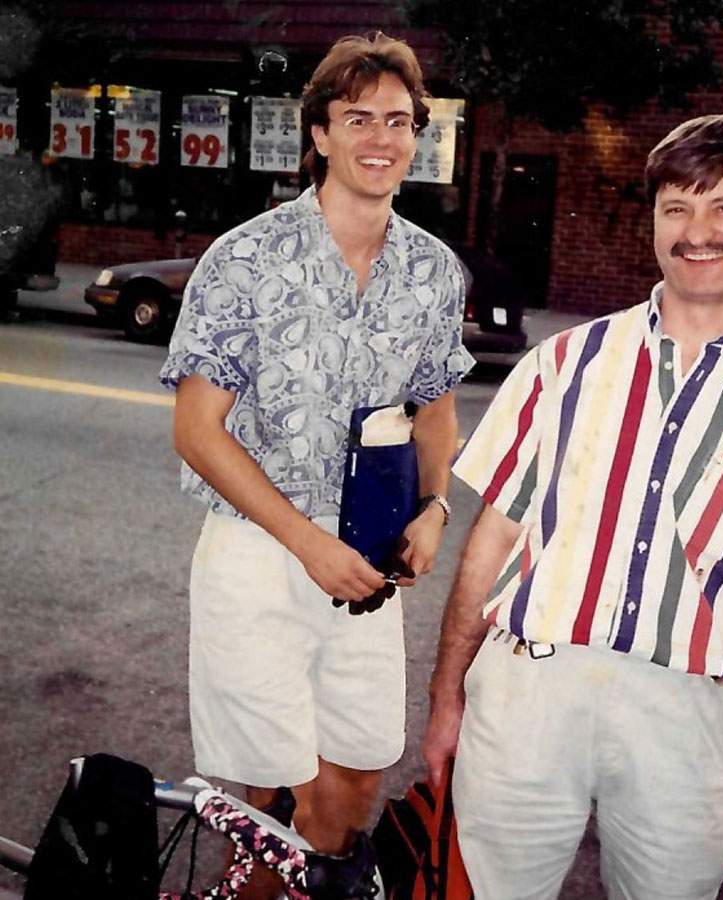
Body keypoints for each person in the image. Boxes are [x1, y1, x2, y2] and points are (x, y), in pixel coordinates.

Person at [422, 114, 723, 899]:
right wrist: (447, 701)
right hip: (524, 698)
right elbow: (494, 538)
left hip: (684, 724)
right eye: (677, 207)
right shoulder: (562, 365)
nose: (697, 231)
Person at [160, 32, 474, 899]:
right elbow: (197, 432)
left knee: (357, 776)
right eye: (358, 118)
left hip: (365, 560)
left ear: (418, 137)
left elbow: (436, 405)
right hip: (262, 553)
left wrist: (435, 508)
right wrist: (306, 543)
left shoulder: (432, 270)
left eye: (399, 121)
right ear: (321, 133)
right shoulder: (245, 258)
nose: (381, 138)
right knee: (266, 797)